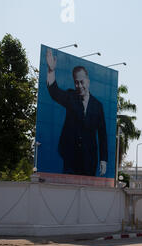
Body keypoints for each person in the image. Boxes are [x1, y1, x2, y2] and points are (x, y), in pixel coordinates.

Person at [46, 48, 108, 177]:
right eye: (76, 82)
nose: (79, 86)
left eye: (82, 82)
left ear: (88, 81)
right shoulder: (71, 97)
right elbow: (54, 93)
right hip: (70, 157)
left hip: (89, 159)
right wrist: (51, 70)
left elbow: (102, 135)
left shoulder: (98, 106)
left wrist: (103, 159)